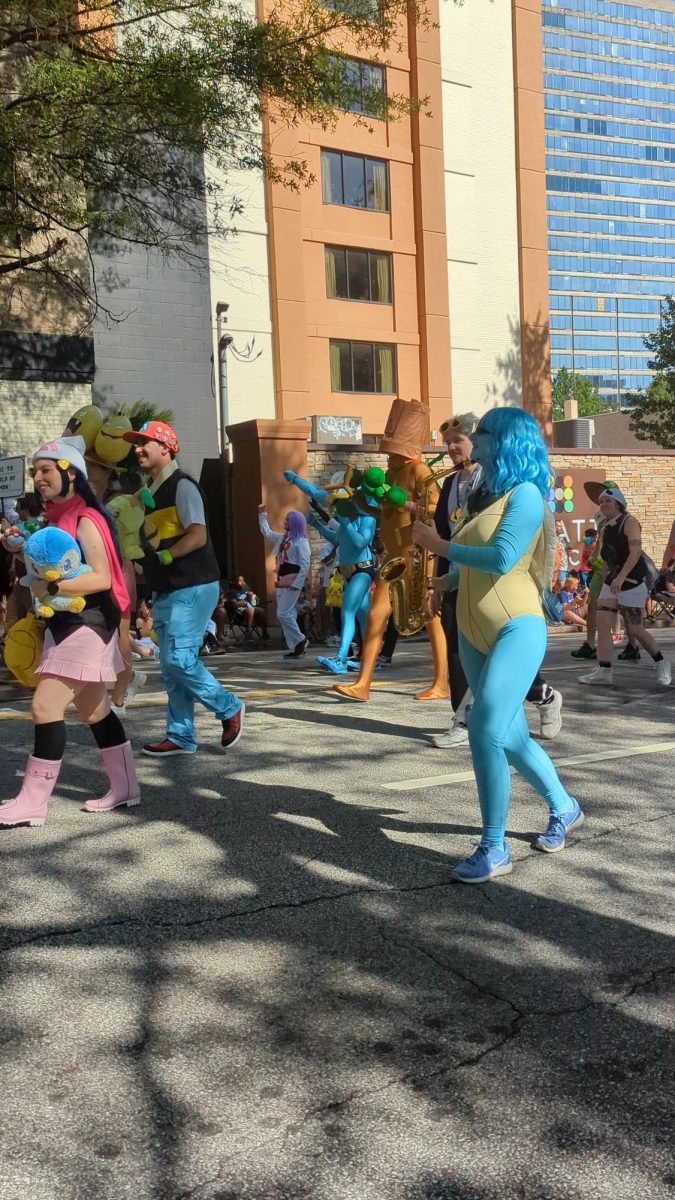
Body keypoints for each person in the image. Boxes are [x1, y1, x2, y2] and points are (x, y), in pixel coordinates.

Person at [413, 408, 583, 883]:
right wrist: (444, 583)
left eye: (482, 431)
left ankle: (493, 846)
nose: (473, 438)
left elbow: (504, 557)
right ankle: (564, 807)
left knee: (483, 728)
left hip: (517, 628)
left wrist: (438, 545)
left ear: (503, 440)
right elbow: (475, 563)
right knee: (510, 736)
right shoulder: (483, 494)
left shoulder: (527, 494)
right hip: (473, 629)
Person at [0, 436, 139, 826]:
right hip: (67, 624)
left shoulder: (85, 519)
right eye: (35, 472)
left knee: (45, 706)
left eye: (46, 470)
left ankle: (32, 802)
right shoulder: (58, 517)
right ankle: (126, 787)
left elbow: (101, 576)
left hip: (86, 623)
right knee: (94, 710)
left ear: (70, 474)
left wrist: (54, 588)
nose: (38, 478)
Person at [122, 420, 245, 755]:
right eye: (136, 444)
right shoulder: (148, 493)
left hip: (192, 584)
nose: (137, 450)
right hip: (168, 589)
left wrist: (163, 556)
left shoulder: (182, 485)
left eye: (144, 442)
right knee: (172, 667)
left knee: (177, 659)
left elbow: (198, 534)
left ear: (166, 447)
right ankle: (180, 735)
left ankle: (228, 706)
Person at [579, 485, 671, 688]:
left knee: (635, 628)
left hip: (632, 580)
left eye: (608, 501)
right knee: (603, 621)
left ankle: (661, 662)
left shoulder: (629, 522)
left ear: (619, 504)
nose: (603, 505)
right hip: (613, 580)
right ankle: (604, 670)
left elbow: (635, 552)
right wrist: (605, 574)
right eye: (601, 502)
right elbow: (604, 555)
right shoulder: (604, 526)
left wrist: (620, 578)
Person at [258, 505, 311, 658]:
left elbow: (305, 564)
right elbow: (266, 532)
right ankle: (296, 647)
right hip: (282, 581)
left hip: (292, 582)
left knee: (283, 614)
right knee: (289, 613)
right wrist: (263, 515)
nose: (285, 522)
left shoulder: (301, 542)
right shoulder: (284, 539)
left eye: (288, 520)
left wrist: (297, 584)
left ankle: (300, 640)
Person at [228, 575, 269, 640]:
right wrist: (245, 599)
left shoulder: (246, 588)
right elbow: (235, 604)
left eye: (242, 581)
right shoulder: (232, 591)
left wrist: (254, 597)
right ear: (234, 582)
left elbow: (256, 601)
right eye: (238, 581)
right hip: (239, 610)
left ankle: (265, 633)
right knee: (250, 610)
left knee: (262, 611)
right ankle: (248, 632)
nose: (240, 582)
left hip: (250, 606)